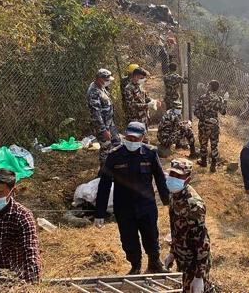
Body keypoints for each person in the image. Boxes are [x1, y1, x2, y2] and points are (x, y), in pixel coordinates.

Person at [95, 121, 170, 275]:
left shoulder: (150, 153)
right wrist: (99, 213)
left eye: (136, 139)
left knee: (151, 234)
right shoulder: (114, 156)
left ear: (143, 137)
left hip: (146, 205)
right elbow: (104, 185)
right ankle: (135, 265)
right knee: (128, 238)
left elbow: (160, 179)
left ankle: (154, 262)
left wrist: (167, 201)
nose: (132, 141)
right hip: (124, 207)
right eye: (129, 138)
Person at [163, 158, 212, 293]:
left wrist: (199, 276)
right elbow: (177, 229)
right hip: (184, 257)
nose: (174, 178)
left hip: (195, 262)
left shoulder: (194, 205)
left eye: (179, 176)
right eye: (172, 174)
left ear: (187, 180)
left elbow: (203, 242)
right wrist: (173, 253)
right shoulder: (175, 195)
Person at [87, 68, 120, 168]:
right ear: (100, 79)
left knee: (117, 143)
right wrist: (104, 130)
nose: (109, 81)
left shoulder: (101, 87)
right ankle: (104, 172)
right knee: (106, 148)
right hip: (102, 126)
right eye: (107, 79)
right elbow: (96, 114)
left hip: (109, 123)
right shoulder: (93, 92)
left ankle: (115, 168)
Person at [193, 80, 227, 172]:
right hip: (214, 125)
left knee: (203, 143)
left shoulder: (202, 97)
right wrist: (225, 101)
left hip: (204, 124)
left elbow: (196, 111)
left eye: (208, 84)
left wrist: (204, 118)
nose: (207, 85)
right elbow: (223, 112)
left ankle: (203, 162)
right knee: (214, 144)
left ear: (210, 86)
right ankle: (213, 165)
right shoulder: (219, 99)